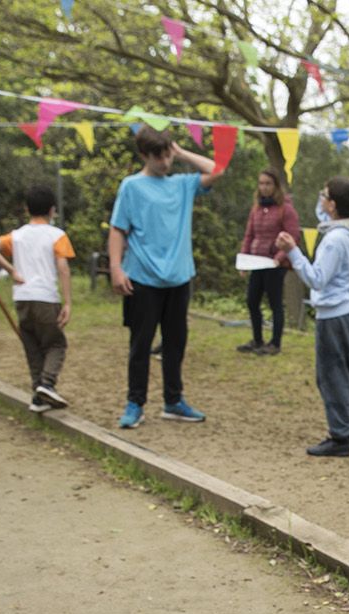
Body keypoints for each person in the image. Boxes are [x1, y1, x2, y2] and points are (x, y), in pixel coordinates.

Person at [109, 126, 225, 428]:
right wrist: (116, 268)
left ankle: (173, 401)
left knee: (175, 343)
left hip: (178, 278)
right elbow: (118, 229)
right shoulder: (131, 187)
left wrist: (182, 152)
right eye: (158, 157)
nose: (164, 162)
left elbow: (216, 170)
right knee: (140, 344)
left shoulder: (183, 185)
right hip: (142, 279)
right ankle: (135, 403)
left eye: (167, 156)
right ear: (144, 155)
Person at [276, 177, 349, 457]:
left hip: (333, 318)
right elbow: (322, 212)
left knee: (332, 376)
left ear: (333, 205)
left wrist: (293, 251)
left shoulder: (333, 240)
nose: (321, 199)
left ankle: (339, 437)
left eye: (324, 195)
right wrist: (342, 187)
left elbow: (317, 279)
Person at [0, 185, 75, 413]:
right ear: (53, 210)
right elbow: (63, 268)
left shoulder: (17, 236)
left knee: (32, 343)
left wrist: (12, 270)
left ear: (27, 209)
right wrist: (68, 302)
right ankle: (47, 383)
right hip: (46, 296)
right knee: (55, 343)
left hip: (22, 297)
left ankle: (38, 395)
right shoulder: (57, 235)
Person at [237, 169, 299, 355]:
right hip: (256, 262)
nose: (264, 187)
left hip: (275, 264)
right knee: (252, 300)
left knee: (275, 303)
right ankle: (257, 340)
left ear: (276, 186)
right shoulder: (256, 208)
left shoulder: (286, 210)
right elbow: (249, 235)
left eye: (268, 184)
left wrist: (278, 259)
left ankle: (275, 343)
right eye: (261, 183)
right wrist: (243, 259)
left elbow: (293, 235)